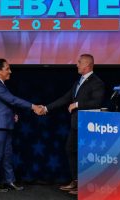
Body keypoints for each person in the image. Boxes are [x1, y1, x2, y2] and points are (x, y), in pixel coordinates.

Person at [39, 54, 105, 195]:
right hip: (77, 124)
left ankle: (85, 186)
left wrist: (77, 104)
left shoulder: (97, 82)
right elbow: (65, 98)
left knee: (85, 155)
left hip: (89, 126)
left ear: (87, 65)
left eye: (79, 62)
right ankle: (76, 181)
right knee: (70, 150)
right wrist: (46, 108)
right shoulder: (79, 81)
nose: (77, 65)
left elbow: (97, 102)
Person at [0, 58, 42, 192]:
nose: (10, 71)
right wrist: (33, 106)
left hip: (4, 124)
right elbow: (12, 100)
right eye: (7, 69)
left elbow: (4, 104)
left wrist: (11, 115)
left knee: (7, 155)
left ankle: (10, 181)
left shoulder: (0, 84)